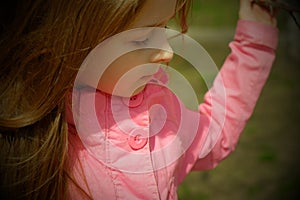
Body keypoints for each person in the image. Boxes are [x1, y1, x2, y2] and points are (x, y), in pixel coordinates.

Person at [0, 0, 278, 199]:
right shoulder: (29, 139)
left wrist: (254, 42)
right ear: (67, 36)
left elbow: (215, 134)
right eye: (142, 37)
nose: (167, 52)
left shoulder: (162, 113)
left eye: (165, 27)